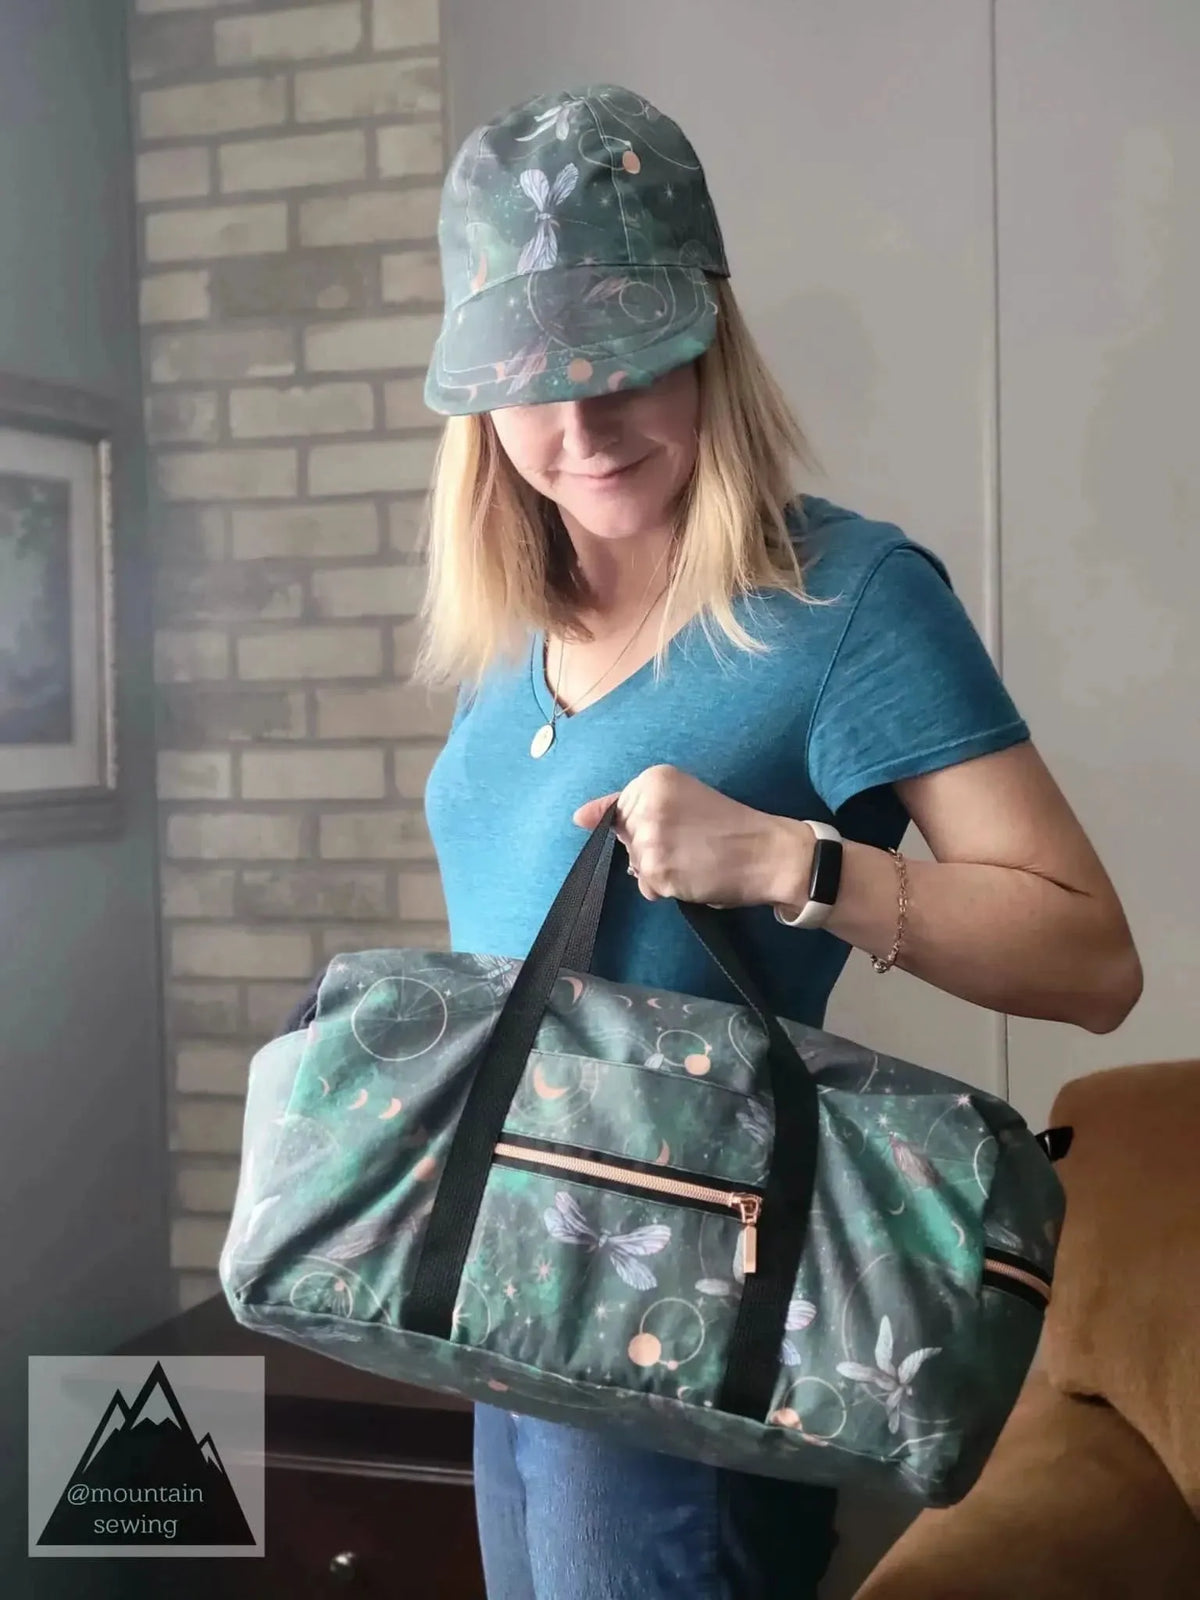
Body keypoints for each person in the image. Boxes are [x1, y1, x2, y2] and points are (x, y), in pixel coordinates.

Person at [416, 83, 1142, 1600]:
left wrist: (790, 863)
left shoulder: (841, 596)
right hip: (506, 1301)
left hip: (683, 1318)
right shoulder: (505, 645)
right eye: (529, 376)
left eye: (620, 358)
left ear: (706, 338)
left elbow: (1091, 956)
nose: (579, 422)